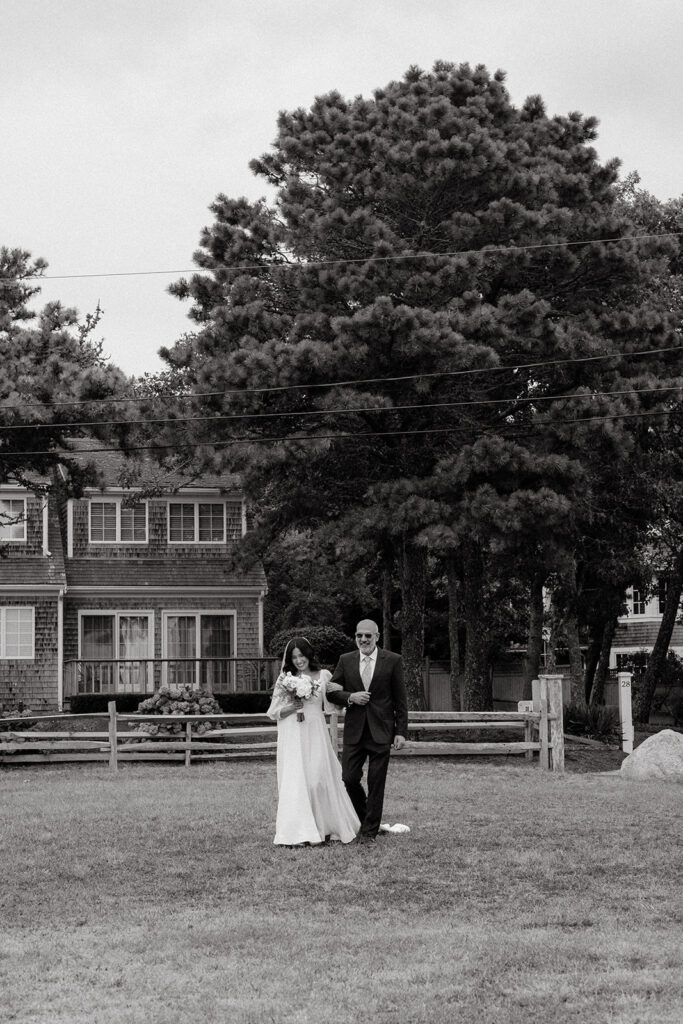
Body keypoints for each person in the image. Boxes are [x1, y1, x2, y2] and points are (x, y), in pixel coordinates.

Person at [266, 636, 360, 846]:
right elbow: (273, 712)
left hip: (316, 731)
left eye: (302, 655)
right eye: (294, 657)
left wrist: (351, 699)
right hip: (293, 732)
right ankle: (299, 832)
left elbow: (334, 703)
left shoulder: (323, 675)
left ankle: (325, 826)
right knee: (297, 781)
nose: (299, 660)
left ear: (309, 654)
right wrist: (293, 706)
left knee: (318, 779)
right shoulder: (285, 678)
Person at [326, 619, 408, 845]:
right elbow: (331, 692)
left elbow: (400, 699)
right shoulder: (345, 660)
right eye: (359, 635)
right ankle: (366, 818)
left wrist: (400, 731)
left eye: (368, 636)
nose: (363, 639)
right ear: (355, 636)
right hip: (355, 730)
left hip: (382, 731)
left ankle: (369, 832)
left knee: (376, 782)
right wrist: (350, 697)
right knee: (349, 778)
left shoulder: (392, 660)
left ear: (377, 636)